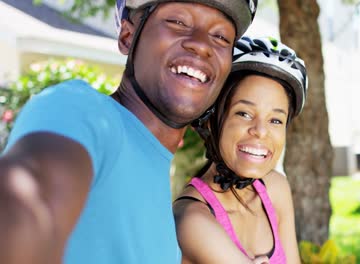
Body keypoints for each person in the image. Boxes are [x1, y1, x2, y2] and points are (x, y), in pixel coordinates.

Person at [0, 0, 258, 263]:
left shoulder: (168, 222)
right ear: (127, 37)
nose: (202, 45)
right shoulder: (80, 110)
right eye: (178, 22)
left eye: (221, 37)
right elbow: (25, 210)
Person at [173, 36, 308, 264]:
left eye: (276, 120)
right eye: (243, 113)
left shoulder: (275, 188)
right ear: (210, 119)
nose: (260, 131)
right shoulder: (192, 218)